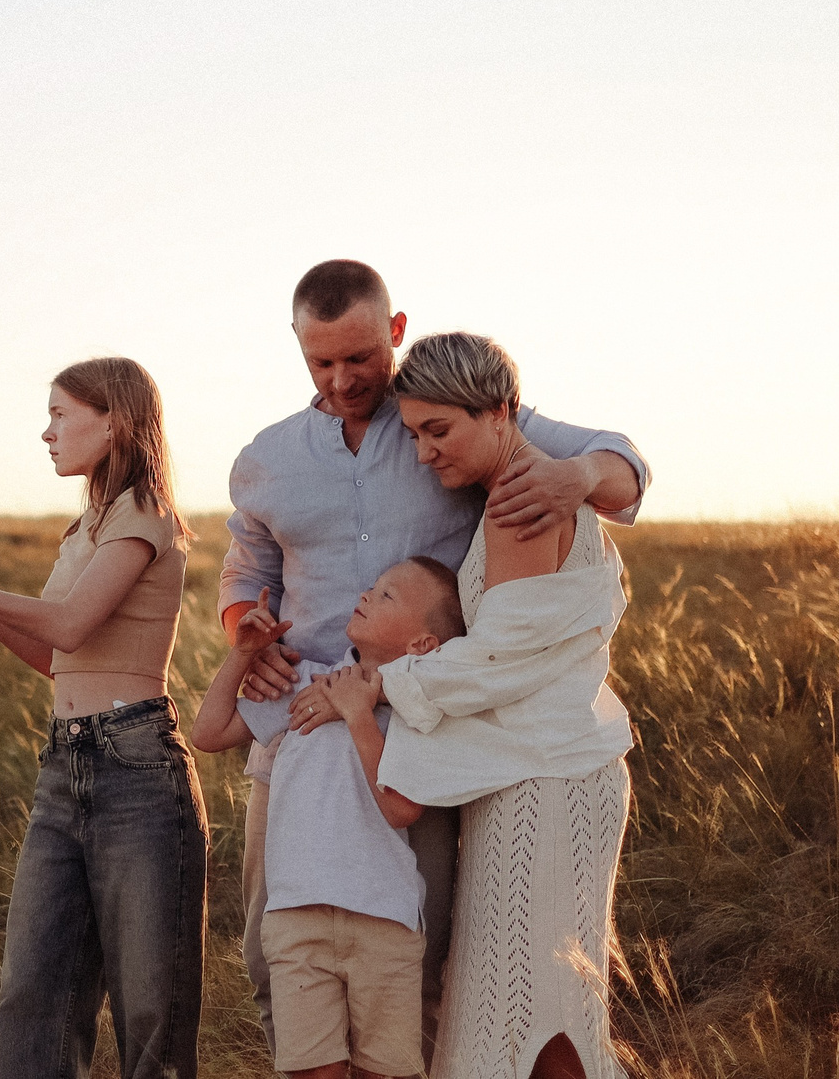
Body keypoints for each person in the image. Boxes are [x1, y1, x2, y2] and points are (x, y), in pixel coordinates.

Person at [221, 261, 649, 1062]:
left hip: (430, 739)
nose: (345, 379)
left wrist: (580, 473)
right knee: (275, 958)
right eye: (322, 362)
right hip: (299, 739)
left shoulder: (447, 409)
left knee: (429, 959)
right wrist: (249, 628)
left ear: (395, 331)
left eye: (360, 357)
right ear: (298, 347)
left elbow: (616, 461)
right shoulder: (270, 457)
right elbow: (246, 567)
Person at [329, 332, 638, 1079]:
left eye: (440, 430)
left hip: (547, 787)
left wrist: (385, 686)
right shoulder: (533, 484)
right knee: (537, 1005)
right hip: (547, 768)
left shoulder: (518, 500)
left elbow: (499, 662)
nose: (426, 452)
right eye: (414, 434)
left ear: (501, 412)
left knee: (541, 1018)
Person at [0, 357, 205, 1079]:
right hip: (64, 766)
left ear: (115, 419)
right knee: (33, 1000)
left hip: (137, 771)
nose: (46, 431)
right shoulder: (82, 526)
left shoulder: (145, 513)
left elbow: (68, 621)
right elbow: (61, 655)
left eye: (61, 414)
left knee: (151, 1015)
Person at [192, 558, 468, 1079]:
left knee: (383, 1071)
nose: (366, 593)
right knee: (312, 1070)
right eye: (372, 584)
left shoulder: (419, 711)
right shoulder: (305, 682)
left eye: (388, 596)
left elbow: (402, 808)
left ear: (422, 645)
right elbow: (208, 734)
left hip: (383, 924)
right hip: (298, 917)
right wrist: (243, 655)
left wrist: (359, 711)